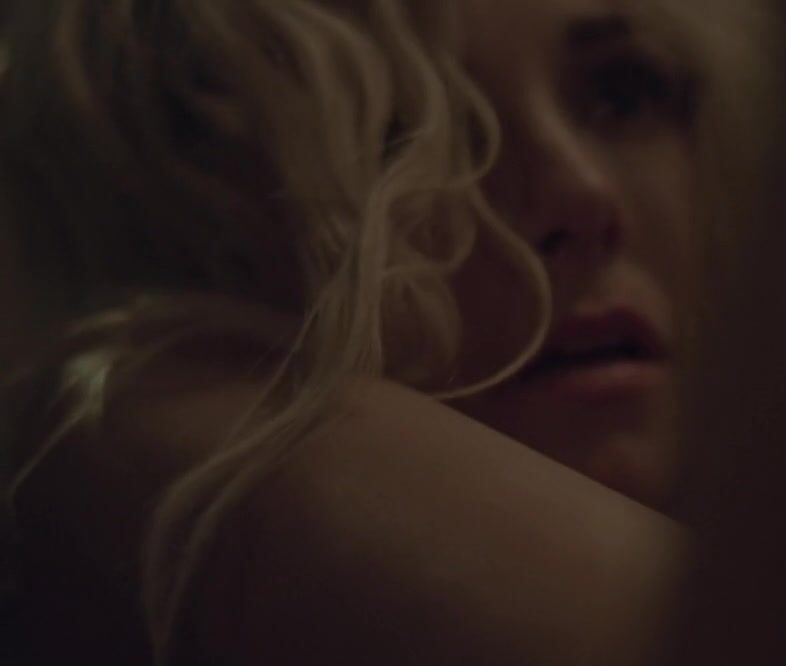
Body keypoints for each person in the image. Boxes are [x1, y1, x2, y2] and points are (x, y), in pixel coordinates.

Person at [0, 0, 775, 664]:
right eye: (400, 135)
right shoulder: (115, 433)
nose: (581, 194)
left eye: (621, 95)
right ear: (206, 239)